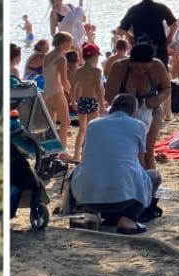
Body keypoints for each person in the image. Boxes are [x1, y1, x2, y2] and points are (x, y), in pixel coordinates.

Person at [69, 94, 162, 234]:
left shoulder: (93, 124)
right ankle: (129, 220)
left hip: (87, 199)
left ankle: (102, 215)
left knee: (84, 171)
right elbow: (141, 164)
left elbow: (86, 156)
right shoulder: (138, 125)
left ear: (112, 107)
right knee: (153, 177)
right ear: (133, 111)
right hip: (121, 200)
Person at [104, 42, 172, 167]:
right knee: (126, 152)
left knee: (147, 152)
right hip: (125, 112)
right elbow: (109, 96)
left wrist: (157, 99)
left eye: (145, 69)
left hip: (151, 110)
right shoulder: (119, 67)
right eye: (136, 68)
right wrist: (131, 103)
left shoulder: (157, 66)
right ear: (130, 62)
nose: (140, 72)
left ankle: (149, 183)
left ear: (151, 63)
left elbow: (167, 88)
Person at [119, 0, 178, 65]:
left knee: (141, 73)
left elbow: (121, 29)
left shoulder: (134, 10)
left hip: (141, 47)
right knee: (161, 72)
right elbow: (173, 24)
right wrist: (170, 37)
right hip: (159, 48)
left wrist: (130, 38)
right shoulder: (161, 8)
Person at [43, 32, 75, 152]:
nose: (71, 45)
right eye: (70, 42)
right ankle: (62, 152)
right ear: (64, 43)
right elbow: (64, 81)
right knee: (66, 122)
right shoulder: (61, 57)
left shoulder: (48, 55)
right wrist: (73, 95)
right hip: (56, 92)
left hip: (46, 92)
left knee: (51, 124)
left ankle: (51, 151)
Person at [73, 43, 106, 151]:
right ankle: (89, 150)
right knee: (92, 128)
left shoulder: (79, 70)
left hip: (82, 101)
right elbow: (97, 89)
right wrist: (101, 105)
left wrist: (73, 101)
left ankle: (77, 153)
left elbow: (73, 88)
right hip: (92, 101)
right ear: (94, 57)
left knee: (82, 129)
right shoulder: (97, 71)